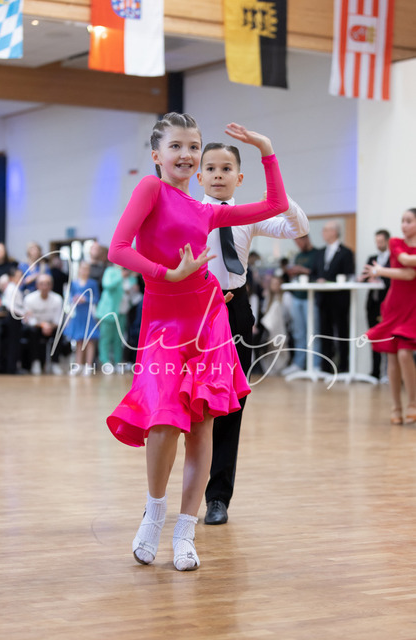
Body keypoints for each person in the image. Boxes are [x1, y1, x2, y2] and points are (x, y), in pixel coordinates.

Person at [105, 112, 289, 571]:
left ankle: (186, 530)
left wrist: (266, 150)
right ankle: (154, 515)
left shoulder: (208, 211)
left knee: (203, 424)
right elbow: (118, 249)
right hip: (164, 325)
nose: (186, 154)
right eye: (176, 146)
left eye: (193, 146)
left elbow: (275, 204)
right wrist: (167, 273)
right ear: (157, 155)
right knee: (163, 421)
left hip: (209, 321)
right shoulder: (150, 189)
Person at [197, 141, 308, 525]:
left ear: (239, 177)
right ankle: (170, 495)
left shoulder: (249, 216)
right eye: (211, 168)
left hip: (236, 310)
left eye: (226, 169)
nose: (218, 175)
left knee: (232, 404)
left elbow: (298, 228)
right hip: (196, 310)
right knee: (187, 406)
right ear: (199, 176)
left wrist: (278, 197)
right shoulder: (189, 211)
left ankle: (218, 498)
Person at [363, 209, 416, 425]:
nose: (404, 225)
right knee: (392, 356)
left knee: (404, 354)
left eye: (409, 221)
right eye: (403, 221)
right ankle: (396, 407)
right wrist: (383, 272)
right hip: (394, 306)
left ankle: (412, 403)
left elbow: (410, 273)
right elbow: (406, 264)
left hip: (412, 308)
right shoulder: (395, 243)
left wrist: (381, 271)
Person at [312, 221, 355, 373]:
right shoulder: (319, 252)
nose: (323, 233)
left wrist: (331, 280)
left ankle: (343, 366)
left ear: (335, 232)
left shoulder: (346, 252)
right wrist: (318, 280)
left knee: (342, 332)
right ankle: (326, 366)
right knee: (324, 332)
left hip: (339, 299)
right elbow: (314, 272)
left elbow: (349, 274)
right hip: (323, 298)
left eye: (326, 230)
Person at [282, 234, 319, 375]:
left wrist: (303, 270)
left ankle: (315, 364)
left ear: (306, 239)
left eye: (299, 242)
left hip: (310, 297)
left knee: (313, 332)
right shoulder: (298, 256)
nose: (297, 245)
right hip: (297, 296)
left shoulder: (317, 254)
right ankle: (299, 363)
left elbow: (319, 274)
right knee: (298, 332)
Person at [22, 274, 63, 375]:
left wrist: (49, 326)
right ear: (37, 285)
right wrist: (42, 325)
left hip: (51, 327)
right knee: (31, 332)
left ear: (51, 285)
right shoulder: (29, 299)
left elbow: (58, 320)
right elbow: (29, 320)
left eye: (47, 284)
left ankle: (55, 363)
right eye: (42, 284)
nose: (44, 287)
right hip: (36, 327)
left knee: (59, 332)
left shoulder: (57, 299)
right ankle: (35, 362)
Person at [363, 229, 391, 379]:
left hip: (386, 303)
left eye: (381, 241)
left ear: (387, 241)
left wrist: (380, 276)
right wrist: (368, 279)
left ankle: (388, 372)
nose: (378, 244)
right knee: (373, 337)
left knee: (387, 338)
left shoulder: (392, 260)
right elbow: (365, 276)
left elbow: (392, 279)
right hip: (372, 304)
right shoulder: (372, 258)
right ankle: (375, 372)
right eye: (377, 242)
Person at [64, 261, 100, 375]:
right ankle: (78, 364)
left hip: (89, 314)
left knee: (89, 340)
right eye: (82, 268)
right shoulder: (74, 283)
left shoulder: (93, 283)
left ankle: (88, 365)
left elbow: (97, 299)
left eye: (87, 269)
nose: (84, 271)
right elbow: (69, 298)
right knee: (79, 341)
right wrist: (74, 299)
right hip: (77, 314)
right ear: (79, 269)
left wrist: (86, 299)